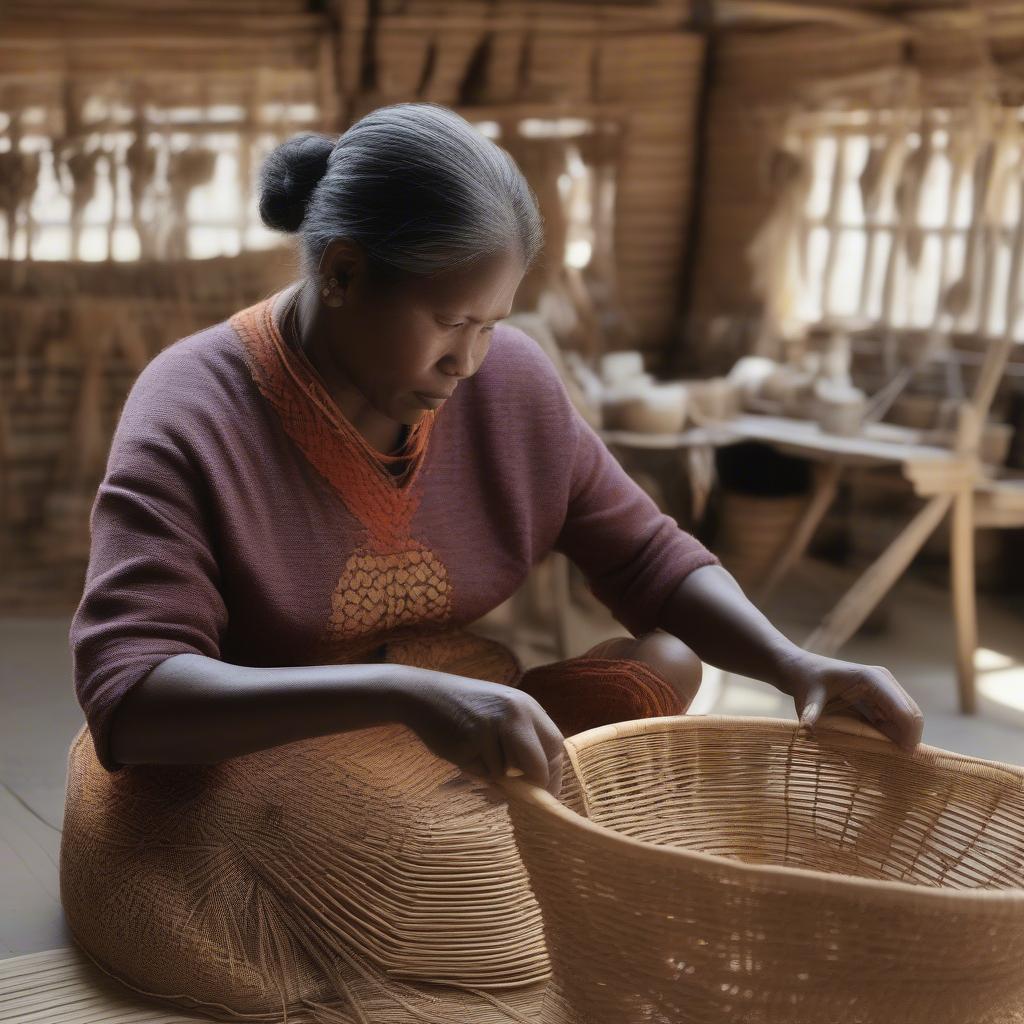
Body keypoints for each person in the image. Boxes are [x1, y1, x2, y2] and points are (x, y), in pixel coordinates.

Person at [61, 102, 924, 1023]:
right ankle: (462, 877)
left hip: (451, 709)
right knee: (419, 872)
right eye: (447, 321)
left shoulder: (509, 382)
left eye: (491, 322)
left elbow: (646, 554)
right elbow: (133, 697)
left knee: (667, 662)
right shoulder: (195, 405)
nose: (469, 361)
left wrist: (796, 664)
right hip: (260, 744)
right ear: (344, 272)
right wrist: (400, 698)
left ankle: (467, 862)